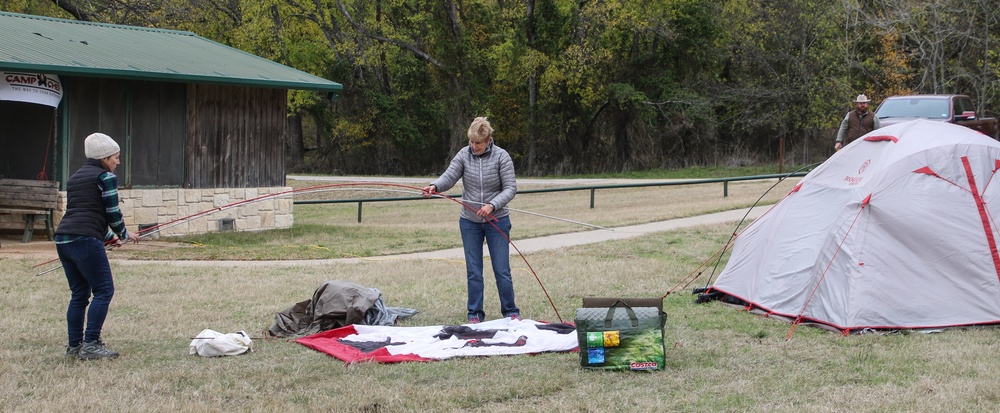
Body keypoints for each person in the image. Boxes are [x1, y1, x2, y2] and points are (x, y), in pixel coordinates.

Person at [422, 117, 520, 324]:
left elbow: (510, 188)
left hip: (497, 220)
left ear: (488, 140)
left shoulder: (502, 157)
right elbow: (449, 176)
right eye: (471, 142)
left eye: (478, 143)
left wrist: (492, 205)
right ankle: (474, 313)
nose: (473, 146)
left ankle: (511, 311)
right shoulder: (464, 155)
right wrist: (435, 186)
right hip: (469, 222)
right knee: (474, 269)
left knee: (501, 269)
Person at [56, 132, 139, 360]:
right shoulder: (105, 177)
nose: (118, 162)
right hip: (85, 239)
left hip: (63, 238)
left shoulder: (75, 177)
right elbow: (112, 211)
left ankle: (75, 347)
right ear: (104, 157)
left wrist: (107, 235)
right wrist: (123, 234)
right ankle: (91, 343)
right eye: (116, 157)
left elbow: (87, 210)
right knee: (104, 290)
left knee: (79, 294)